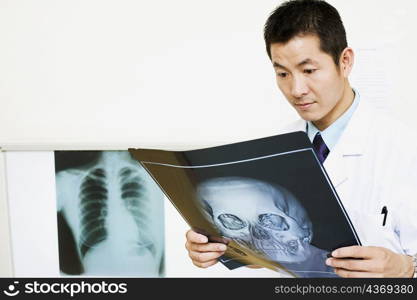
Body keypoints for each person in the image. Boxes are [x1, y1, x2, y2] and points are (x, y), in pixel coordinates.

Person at [185, 0, 417, 278]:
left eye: (309, 71)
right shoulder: (276, 147)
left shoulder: (403, 148)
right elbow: (274, 248)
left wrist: (406, 267)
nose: (296, 89)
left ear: (345, 61)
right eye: (282, 73)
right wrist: (217, 247)